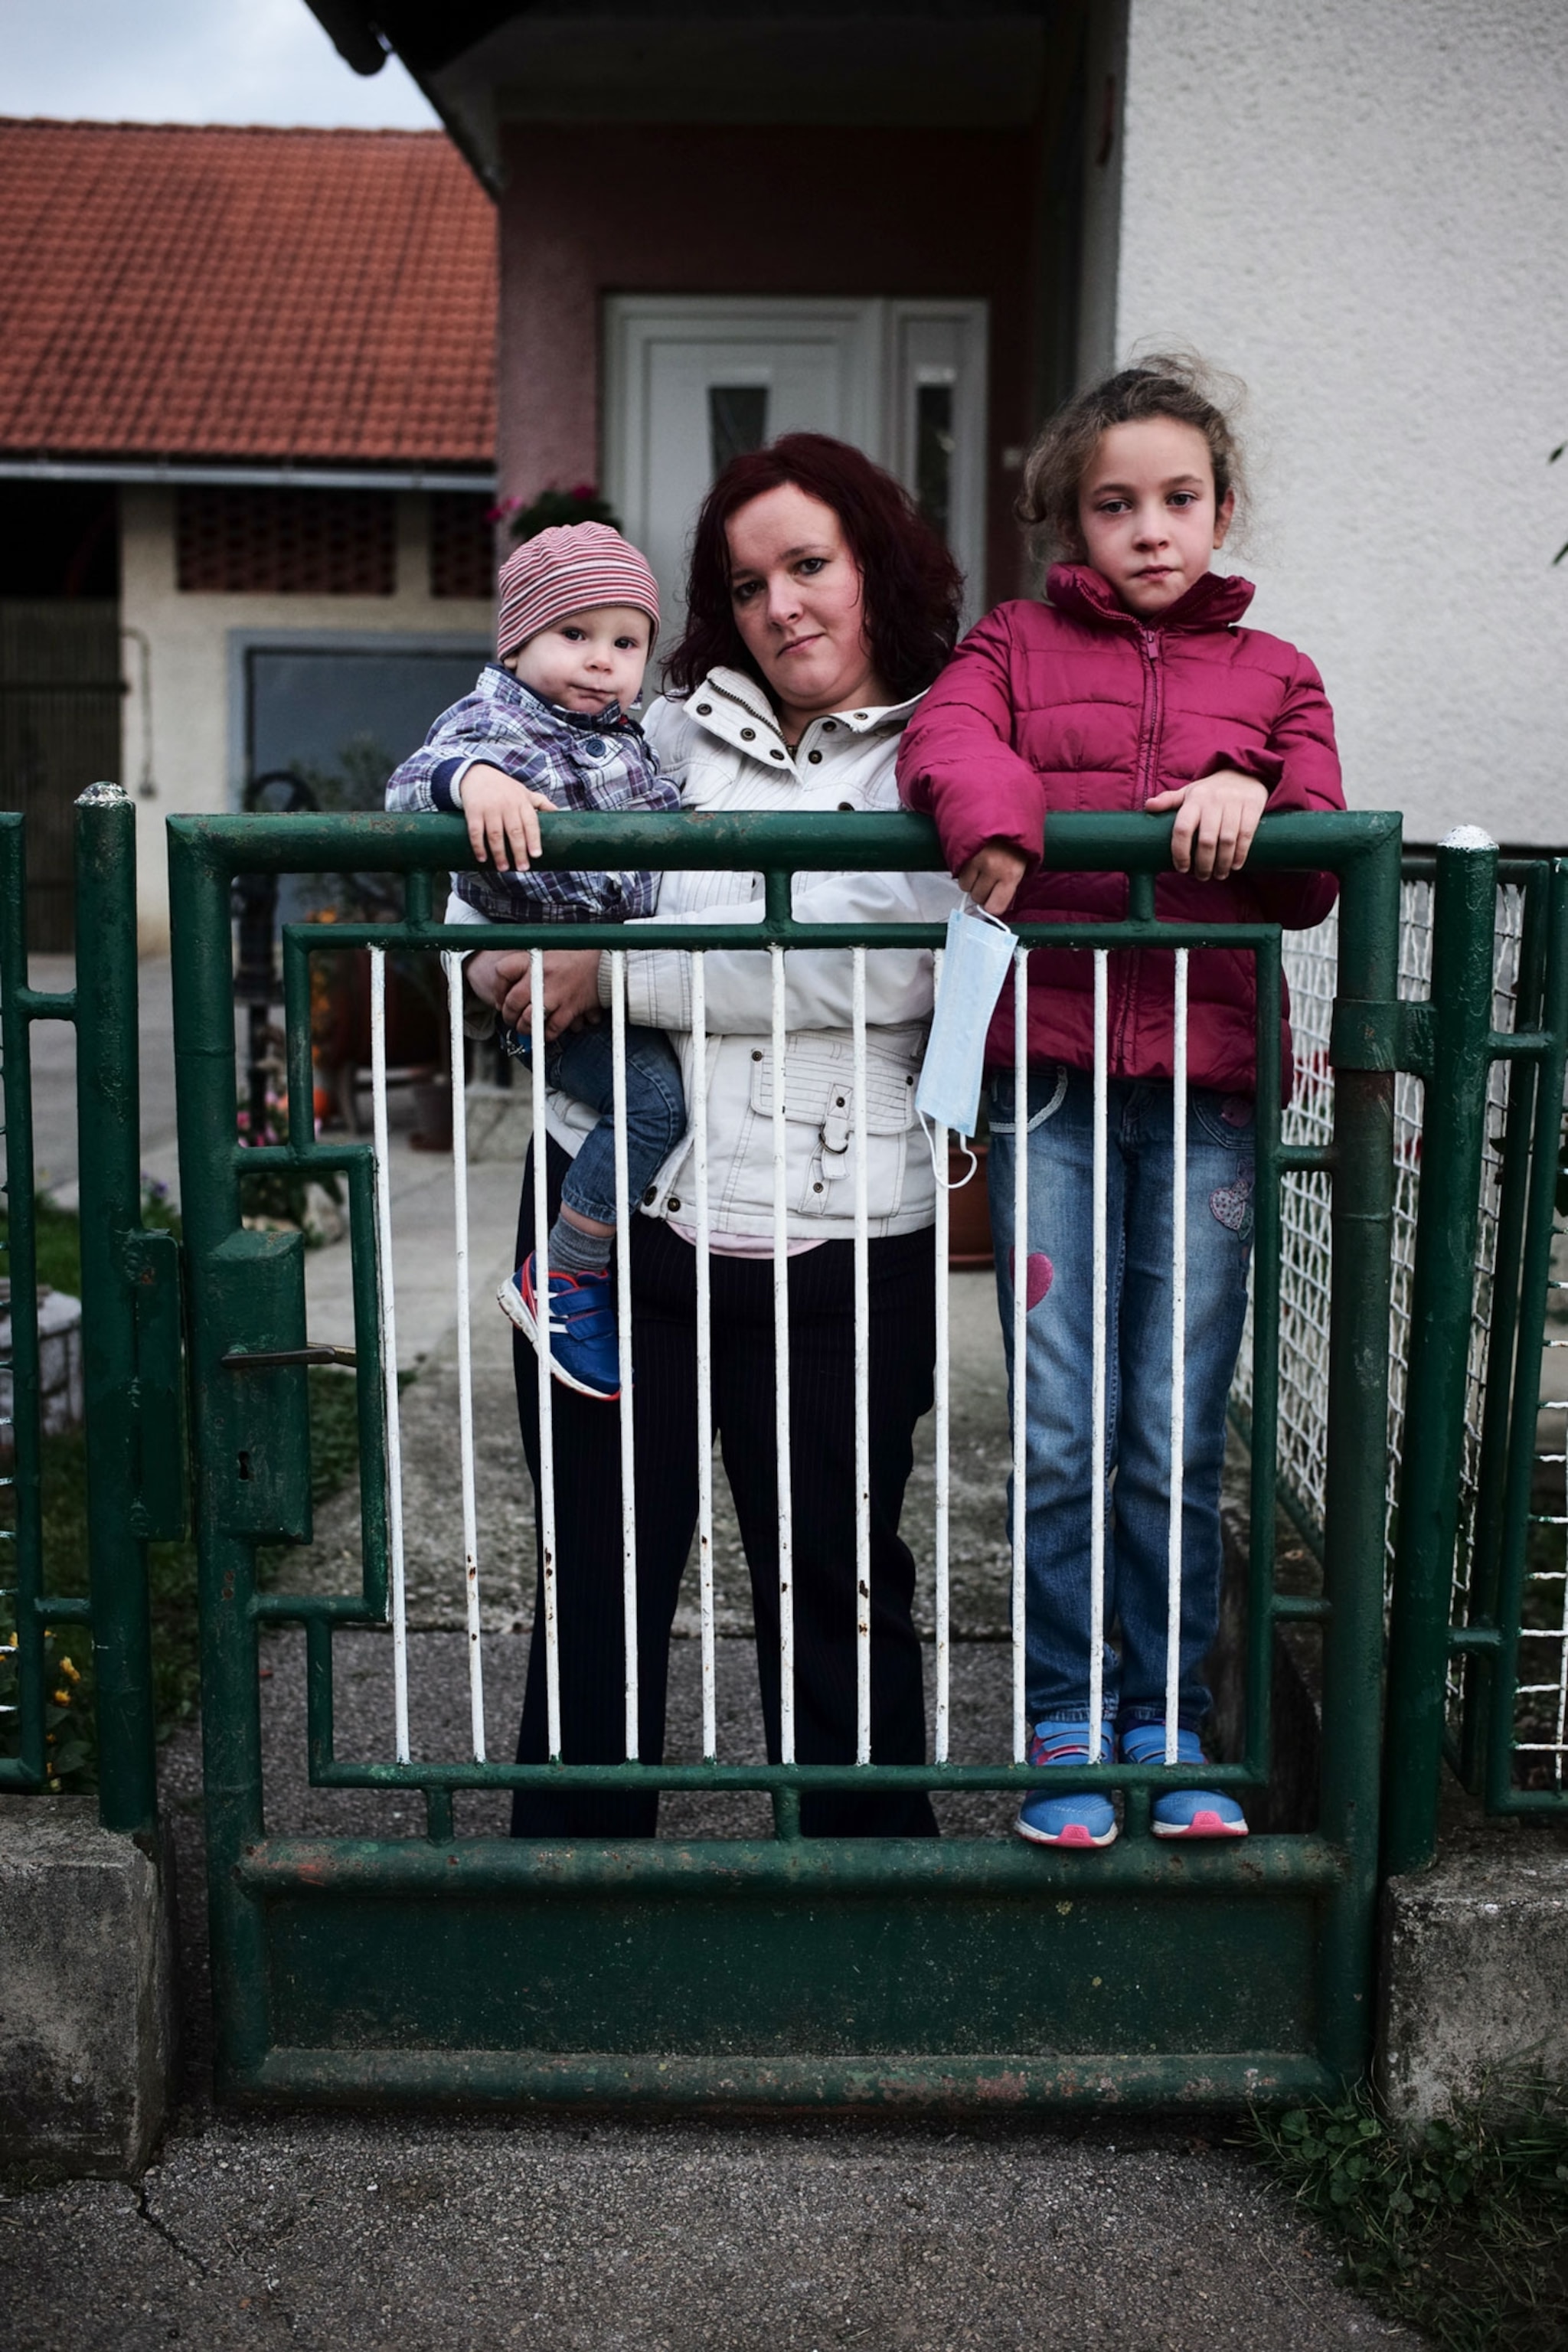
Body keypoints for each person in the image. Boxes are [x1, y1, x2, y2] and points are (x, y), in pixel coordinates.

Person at [464, 434, 964, 1838]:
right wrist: (503, 960)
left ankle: (864, 1888)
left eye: (809, 566)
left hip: (844, 1228)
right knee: (601, 1570)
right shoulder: (658, 732)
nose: (781, 607)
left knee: (836, 1580)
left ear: (875, 563)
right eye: (747, 586)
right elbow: (480, 894)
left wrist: (608, 966)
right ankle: (575, 1888)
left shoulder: (945, 747)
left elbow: (879, 969)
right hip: (614, 1220)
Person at [897, 354, 1344, 1847]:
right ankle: (1064, 1725)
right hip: (1048, 1092)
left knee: (1172, 1430)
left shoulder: (1278, 675)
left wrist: (1253, 802)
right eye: (1114, 504)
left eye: (1178, 498)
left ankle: (1170, 1725)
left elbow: (1313, 859)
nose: (1150, 528)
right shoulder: (1011, 645)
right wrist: (1004, 818)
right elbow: (944, 741)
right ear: (1067, 521)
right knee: (1060, 1425)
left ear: (1221, 508)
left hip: (1207, 1101)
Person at [385, 522, 684, 1403]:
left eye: (625, 643)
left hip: (619, 981)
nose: (600, 660)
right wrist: (472, 782)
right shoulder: (498, 720)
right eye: (574, 633)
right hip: (543, 998)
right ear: (516, 644)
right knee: (653, 1103)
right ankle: (565, 1273)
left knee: (659, 1099)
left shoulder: (630, 736)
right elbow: (410, 783)